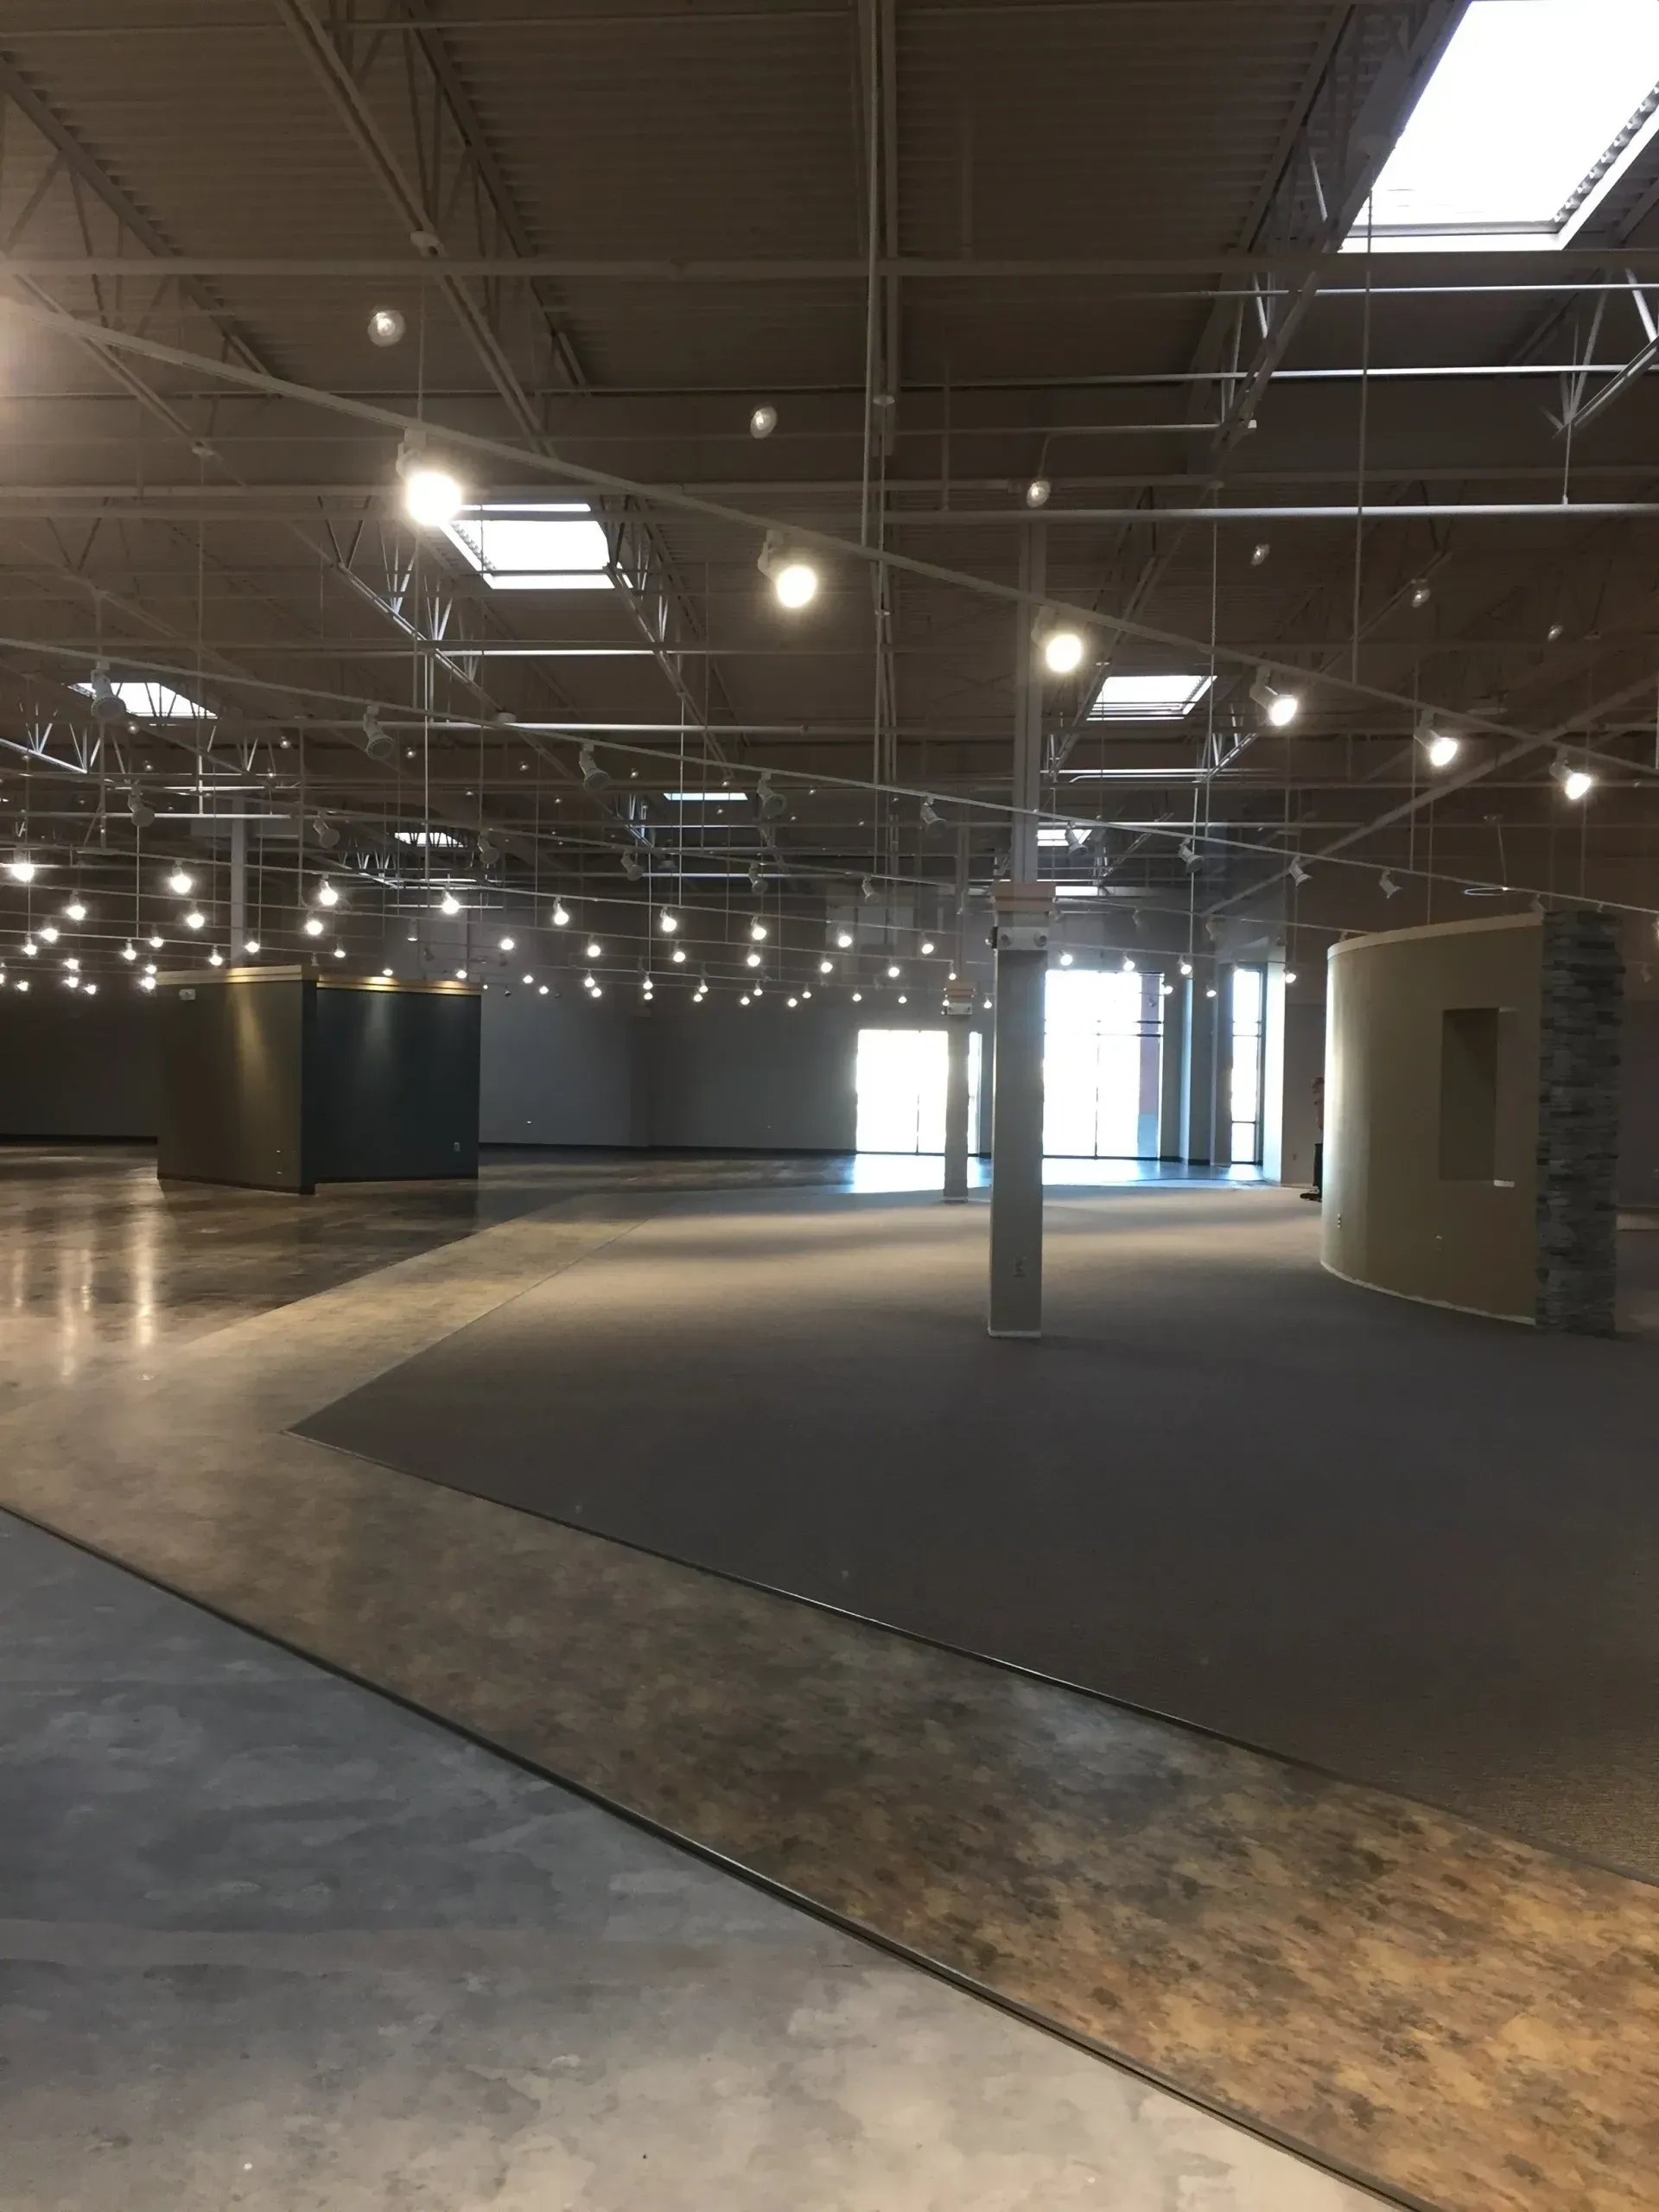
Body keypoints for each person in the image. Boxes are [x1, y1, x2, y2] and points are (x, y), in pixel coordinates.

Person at [1301, 1073, 1324, 1202]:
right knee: (1319, 1156)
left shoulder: (1324, 1098)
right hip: (1324, 1130)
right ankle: (1319, 1187)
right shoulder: (1320, 1098)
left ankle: (1321, 1188)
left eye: (1314, 1086)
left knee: (1321, 1157)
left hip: (1327, 1130)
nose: (1313, 1089)